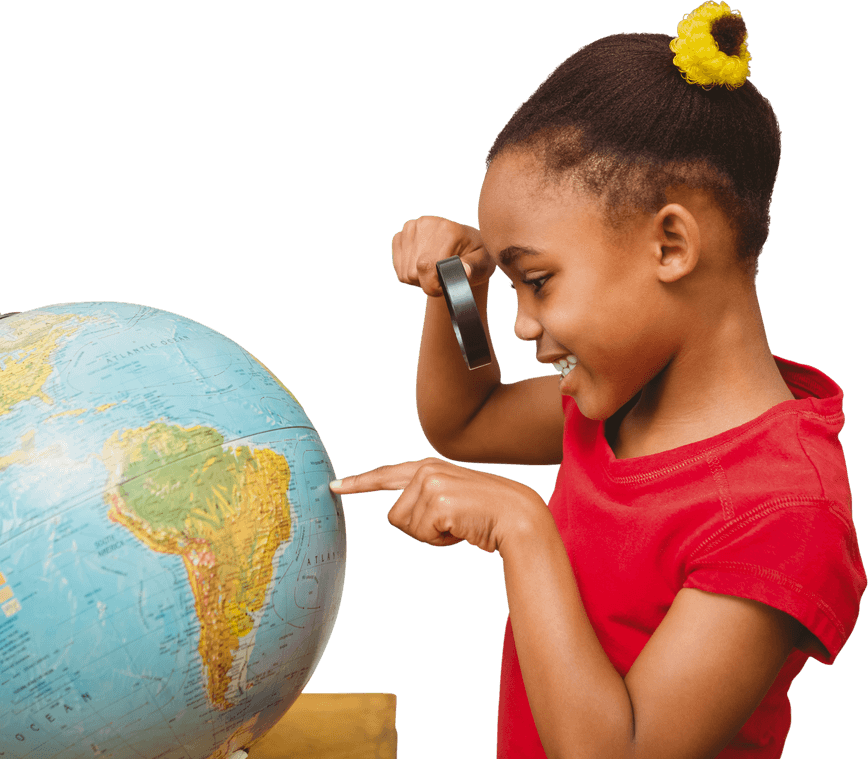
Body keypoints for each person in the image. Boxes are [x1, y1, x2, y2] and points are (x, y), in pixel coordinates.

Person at [328, 2, 866, 757]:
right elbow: (468, 417)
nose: (520, 325)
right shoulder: (620, 400)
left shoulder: (783, 512)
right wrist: (457, 287)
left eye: (538, 280)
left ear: (672, 244)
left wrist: (523, 529)